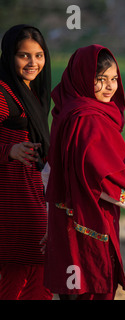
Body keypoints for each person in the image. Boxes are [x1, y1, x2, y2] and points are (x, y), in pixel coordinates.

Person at [43, 44, 125, 300]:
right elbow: (96, 176)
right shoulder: (88, 119)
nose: (109, 87)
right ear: (84, 79)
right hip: (89, 218)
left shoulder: (69, 110)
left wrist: (48, 222)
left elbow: (52, 168)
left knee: (73, 289)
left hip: (64, 220)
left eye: (114, 79)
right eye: (100, 79)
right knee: (96, 286)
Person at [0, 24, 52, 300]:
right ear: (9, 56)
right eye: (24, 55)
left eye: (39, 55)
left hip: (34, 196)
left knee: (38, 277)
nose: (33, 63)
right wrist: (8, 150)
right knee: (19, 276)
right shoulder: (3, 93)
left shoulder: (33, 95)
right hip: (13, 205)